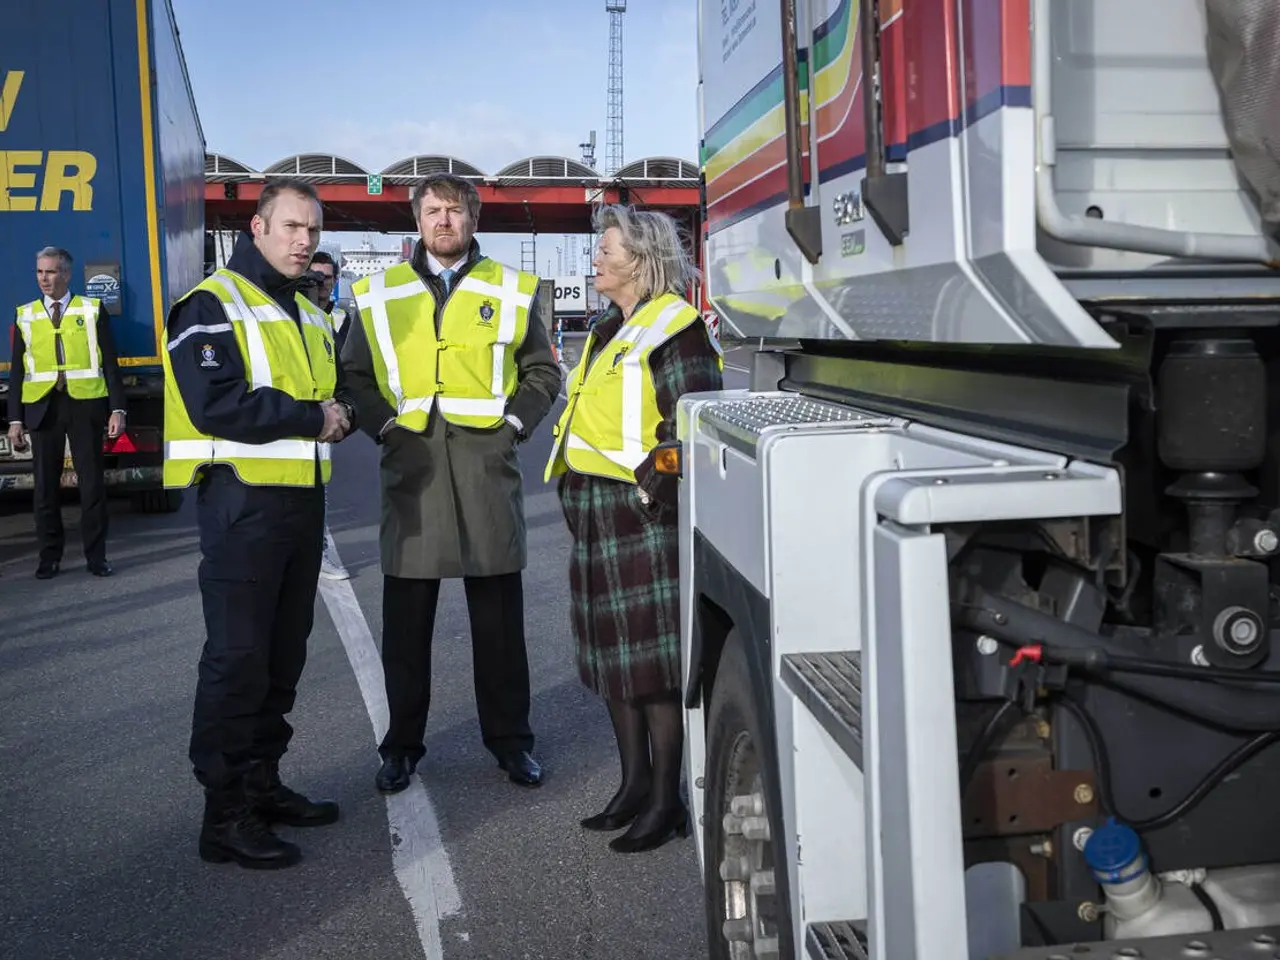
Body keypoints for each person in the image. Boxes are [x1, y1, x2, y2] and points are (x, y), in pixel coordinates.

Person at [341, 172, 562, 794]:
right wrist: (385, 427)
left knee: (498, 624)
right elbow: (353, 375)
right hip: (411, 472)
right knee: (407, 629)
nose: (444, 221)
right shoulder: (377, 293)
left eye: (455, 211)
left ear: (474, 218)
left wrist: (514, 424)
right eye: (433, 210)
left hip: (486, 470)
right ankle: (402, 747)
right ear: (417, 220)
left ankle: (512, 743)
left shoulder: (514, 289)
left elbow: (543, 370)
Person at [163, 177, 358, 870]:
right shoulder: (211, 304)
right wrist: (314, 418)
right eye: (291, 227)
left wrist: (339, 416)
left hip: (300, 506)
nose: (304, 240)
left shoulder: (304, 311)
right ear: (257, 227)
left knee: (282, 657)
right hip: (241, 506)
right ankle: (224, 814)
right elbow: (217, 402)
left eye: (313, 229)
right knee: (237, 660)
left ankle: (262, 782)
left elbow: (327, 395)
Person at [543, 204, 724, 854]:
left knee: (651, 669)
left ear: (640, 262)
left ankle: (665, 802)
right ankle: (631, 787)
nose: (596, 260)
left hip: (643, 516)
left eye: (607, 251)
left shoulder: (677, 329)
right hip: (597, 513)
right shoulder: (604, 329)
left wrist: (655, 488)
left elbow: (691, 424)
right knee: (612, 663)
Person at [6, 246, 128, 579]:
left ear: (66, 274)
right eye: (39, 272)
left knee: (92, 486)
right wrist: (15, 419)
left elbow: (110, 363)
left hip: (85, 405)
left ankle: (96, 556)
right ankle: (49, 557)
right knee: (45, 488)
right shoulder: (26, 314)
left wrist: (118, 408)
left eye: (51, 272)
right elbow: (17, 372)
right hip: (43, 408)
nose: (44, 279)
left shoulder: (91, 310)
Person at [304, 252, 350, 581]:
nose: (322, 285)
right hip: (299, 414)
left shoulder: (342, 319)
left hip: (327, 417)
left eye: (328, 279)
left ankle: (318, 551)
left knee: (321, 485)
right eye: (315, 278)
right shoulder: (292, 313)